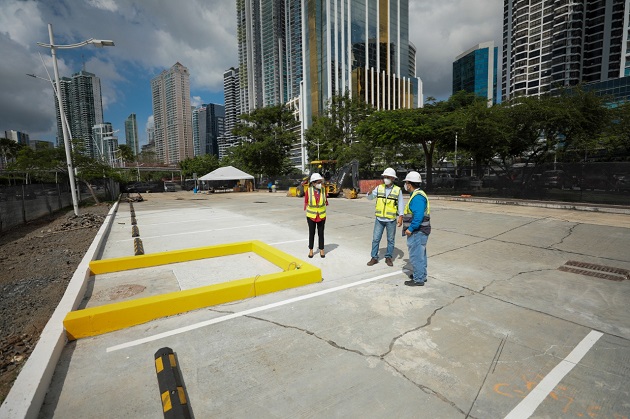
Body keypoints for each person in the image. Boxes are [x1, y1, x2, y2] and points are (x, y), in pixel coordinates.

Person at [366, 167, 404, 267]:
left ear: (393, 178)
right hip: (379, 219)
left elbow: (401, 204)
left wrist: (401, 216)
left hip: (391, 220)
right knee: (375, 239)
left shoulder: (397, 190)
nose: (385, 179)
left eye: (388, 177)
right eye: (385, 177)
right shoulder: (379, 188)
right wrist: (369, 192)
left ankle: (388, 257)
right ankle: (374, 257)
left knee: (390, 240)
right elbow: (370, 197)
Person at [401, 171, 431, 286]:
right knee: (421, 255)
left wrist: (410, 229)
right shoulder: (419, 194)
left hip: (417, 232)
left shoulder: (417, 197)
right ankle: (421, 275)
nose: (406, 185)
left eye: (406, 183)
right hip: (421, 231)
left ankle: (418, 279)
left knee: (416, 256)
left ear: (409, 184)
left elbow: (418, 216)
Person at [304, 173, 328, 258]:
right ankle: (311, 250)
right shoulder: (309, 191)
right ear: (313, 183)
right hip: (311, 216)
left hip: (321, 215)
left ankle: (321, 249)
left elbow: (326, 201)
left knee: (321, 233)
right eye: (318, 182)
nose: (320, 184)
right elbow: (306, 201)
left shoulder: (323, 190)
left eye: (320, 182)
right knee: (312, 233)